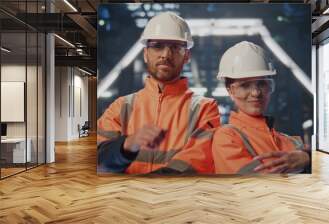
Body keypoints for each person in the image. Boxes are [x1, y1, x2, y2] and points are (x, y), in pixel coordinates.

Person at [97, 12, 220, 174]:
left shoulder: (204, 109)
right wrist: (127, 145)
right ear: (145, 54)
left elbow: (197, 162)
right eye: (157, 46)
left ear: (187, 56)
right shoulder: (122, 107)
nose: (166, 54)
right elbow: (98, 161)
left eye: (175, 47)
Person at [212, 41, 310, 174]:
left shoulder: (288, 139)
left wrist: (308, 157)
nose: (256, 93)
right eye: (245, 86)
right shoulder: (227, 137)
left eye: (262, 84)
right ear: (230, 91)